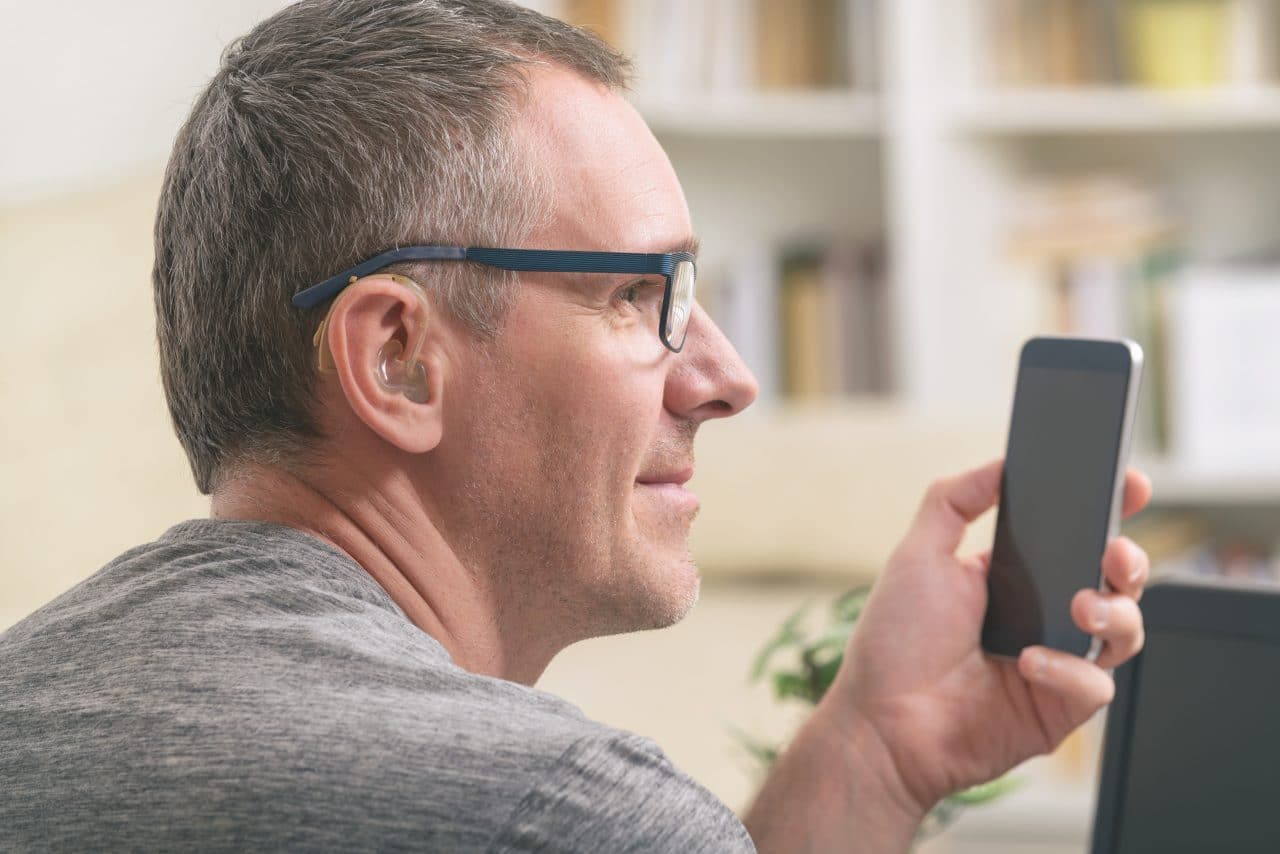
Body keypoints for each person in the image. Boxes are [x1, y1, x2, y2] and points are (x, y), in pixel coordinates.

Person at [0, 1, 1152, 851]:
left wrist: (870, 754)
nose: (726, 378)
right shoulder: (562, 811)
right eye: (640, 295)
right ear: (396, 359)